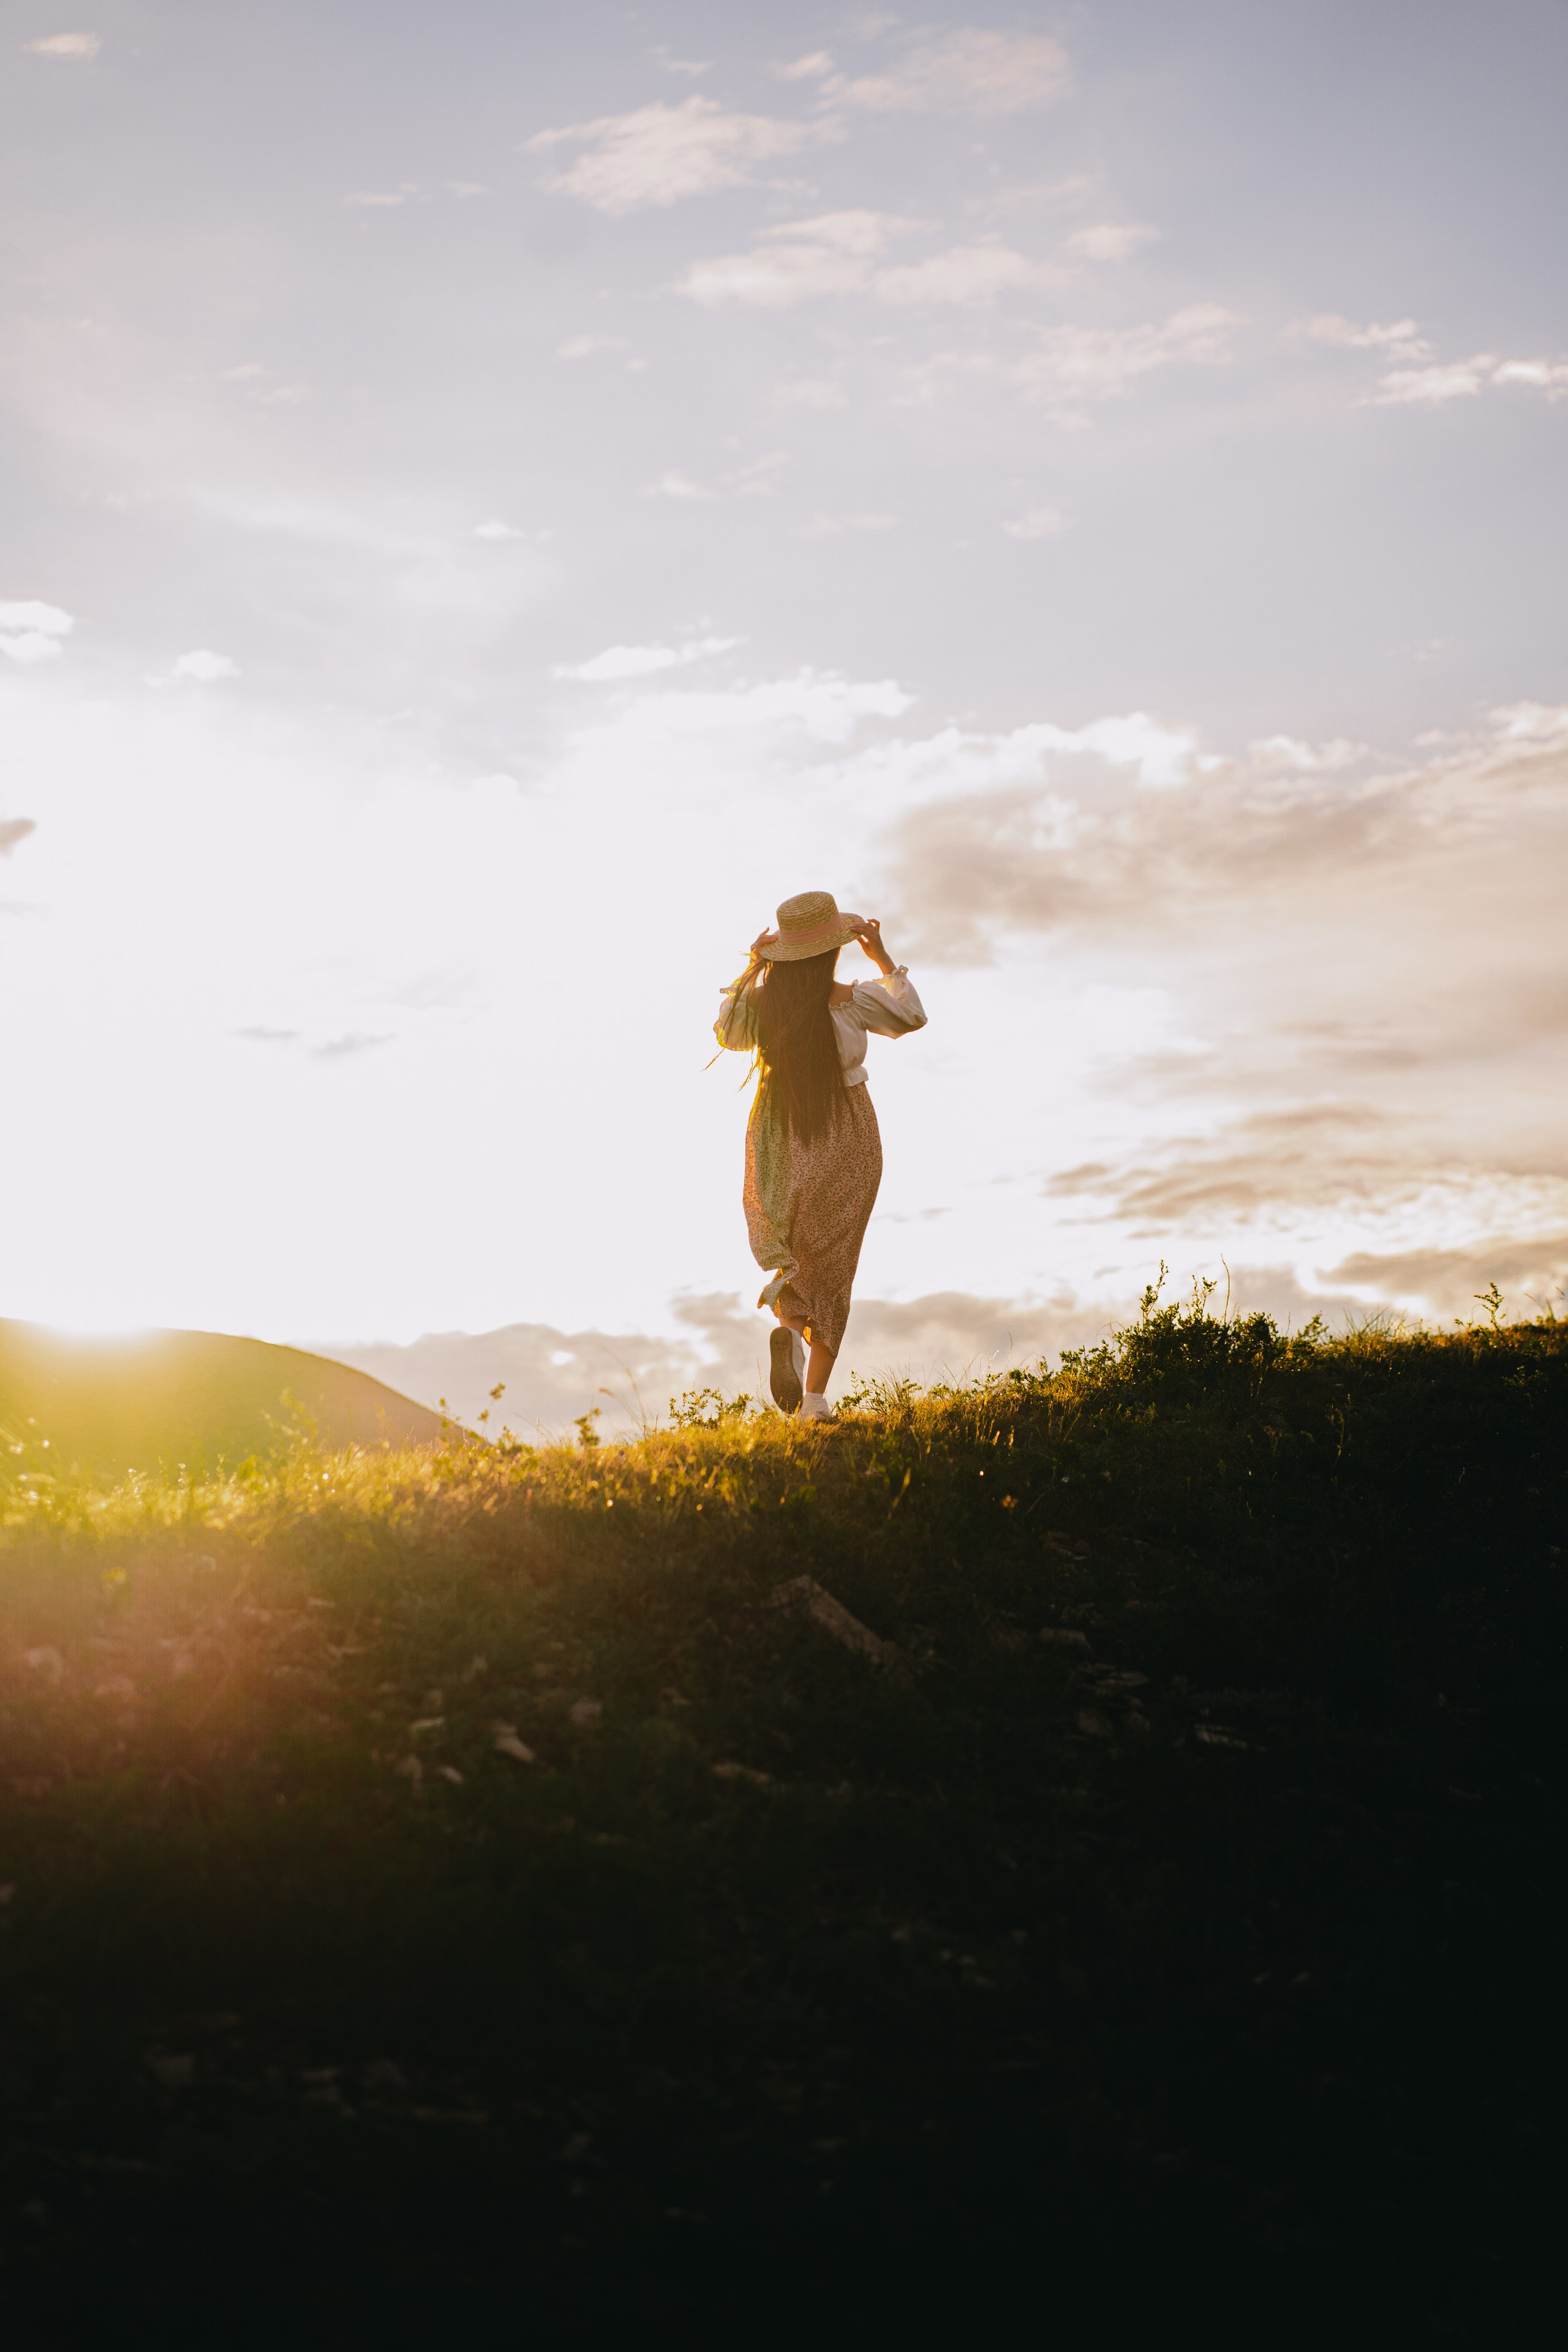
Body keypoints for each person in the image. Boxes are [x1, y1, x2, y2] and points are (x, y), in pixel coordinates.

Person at [715, 889, 928, 1420]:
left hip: (779, 1130)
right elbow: (910, 1017)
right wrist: (881, 958)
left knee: (795, 1251)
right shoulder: (852, 1001)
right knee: (833, 1262)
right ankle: (813, 1400)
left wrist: (750, 973)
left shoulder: (763, 1007)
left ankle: (790, 1333)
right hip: (846, 1132)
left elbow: (726, 1032)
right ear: (836, 949)